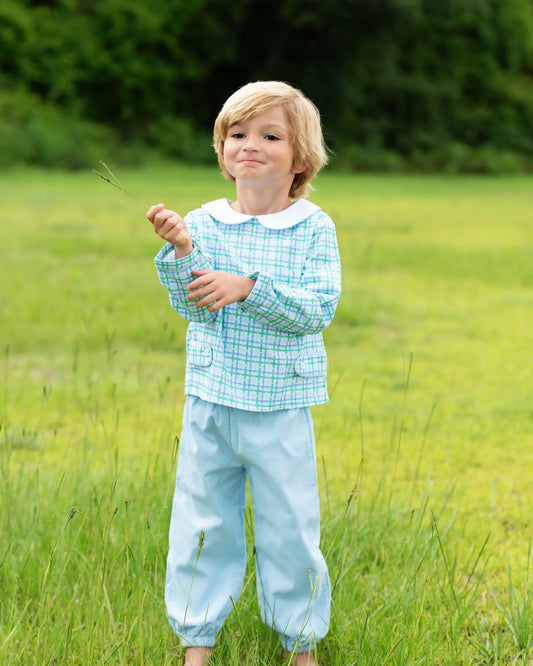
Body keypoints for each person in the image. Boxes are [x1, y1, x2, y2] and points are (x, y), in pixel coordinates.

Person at [146, 81, 342, 666]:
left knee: (288, 527)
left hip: (280, 405)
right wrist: (183, 250)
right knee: (202, 524)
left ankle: (300, 644)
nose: (248, 144)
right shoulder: (204, 222)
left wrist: (249, 289)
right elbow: (190, 303)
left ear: (300, 158)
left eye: (269, 135)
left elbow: (316, 309)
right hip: (210, 400)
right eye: (236, 134)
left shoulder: (312, 228)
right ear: (222, 149)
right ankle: (196, 640)